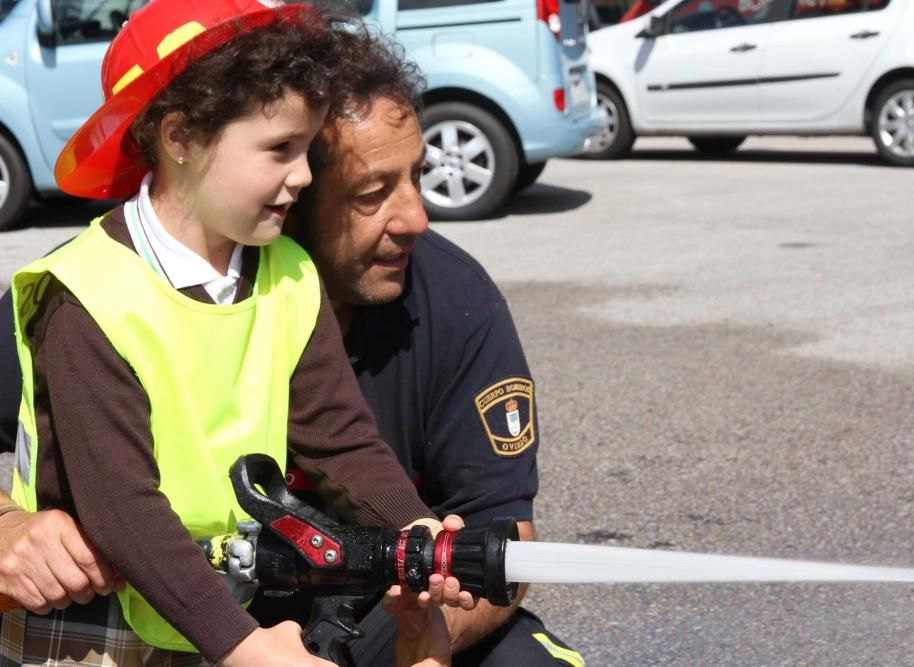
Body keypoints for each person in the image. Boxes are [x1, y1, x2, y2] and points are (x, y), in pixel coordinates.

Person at [0, 21, 581, 667]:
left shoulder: (289, 274)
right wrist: (246, 648)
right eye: (280, 149)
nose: (304, 175)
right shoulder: (87, 295)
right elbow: (122, 506)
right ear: (181, 137)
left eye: (307, 149)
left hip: (223, 611)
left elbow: (341, 438)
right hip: (98, 626)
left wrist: (418, 532)